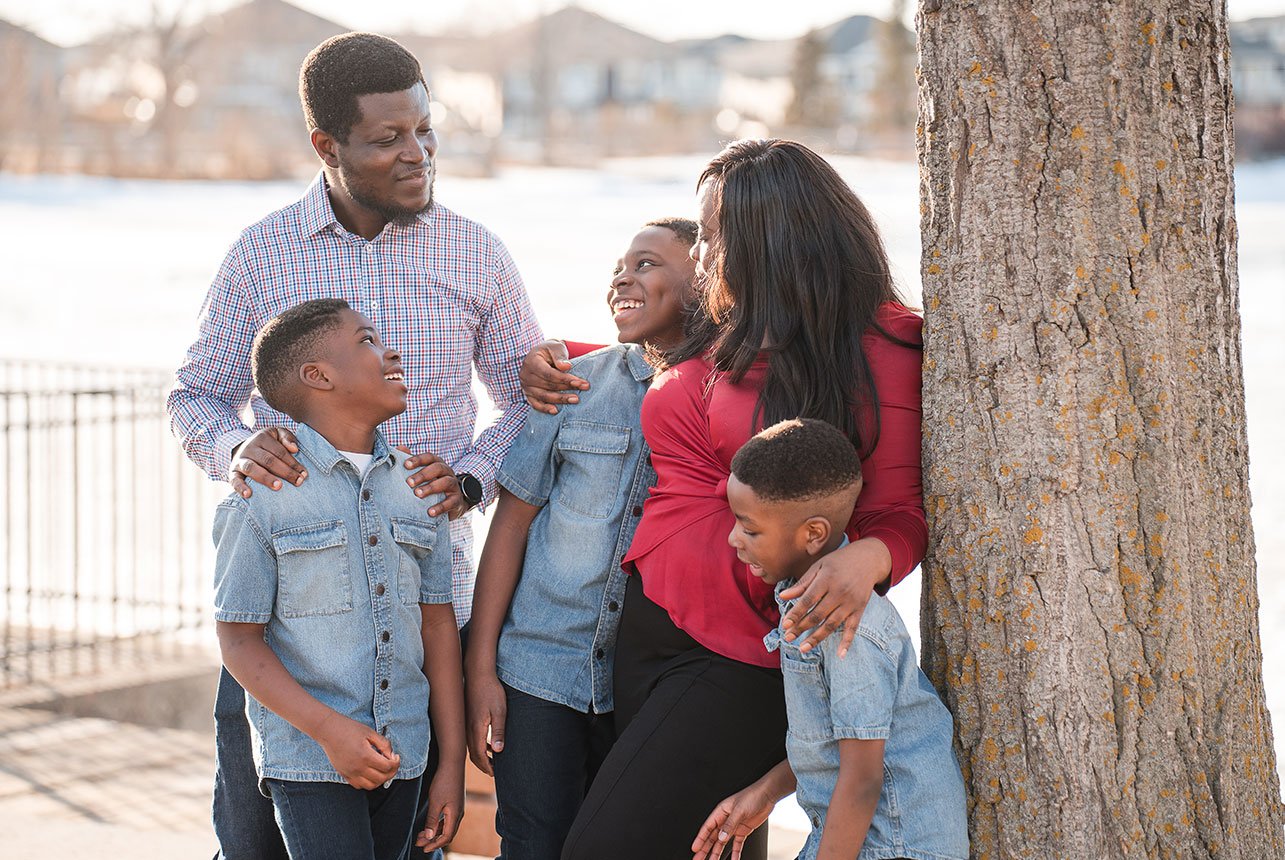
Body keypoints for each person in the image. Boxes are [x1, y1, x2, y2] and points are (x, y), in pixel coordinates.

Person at [166, 32, 542, 859]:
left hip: (423, 616)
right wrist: (233, 448)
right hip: (287, 626)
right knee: (253, 847)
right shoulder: (262, 253)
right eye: (387, 139)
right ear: (325, 146)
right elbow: (195, 394)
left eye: (424, 129)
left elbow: (525, 400)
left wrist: (472, 479)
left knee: (409, 843)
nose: (418, 155)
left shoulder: (476, 254)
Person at [522, 139, 927, 860]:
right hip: (647, 625)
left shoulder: (884, 350)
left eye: (712, 236)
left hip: (745, 652)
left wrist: (868, 557)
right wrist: (556, 353)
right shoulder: (727, 325)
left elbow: (899, 509)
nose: (701, 255)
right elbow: (663, 371)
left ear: (773, 237)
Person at [465, 218, 699, 860]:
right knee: (534, 843)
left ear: (706, 282)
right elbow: (509, 528)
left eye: (648, 264)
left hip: (645, 685)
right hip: (539, 670)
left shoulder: (723, 399)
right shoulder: (572, 386)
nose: (623, 276)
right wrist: (480, 670)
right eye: (620, 264)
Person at [213, 299, 465, 860]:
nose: (392, 350)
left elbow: (438, 629)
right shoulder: (262, 499)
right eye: (367, 341)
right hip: (308, 758)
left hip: (408, 756)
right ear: (317, 375)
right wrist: (329, 730)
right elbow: (237, 640)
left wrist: (449, 766)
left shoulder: (422, 489)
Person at [691, 418, 967, 860]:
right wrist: (765, 792)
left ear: (813, 534)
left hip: (895, 845)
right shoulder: (806, 603)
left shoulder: (846, 629)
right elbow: (838, 743)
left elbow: (862, 781)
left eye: (750, 528)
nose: (733, 538)